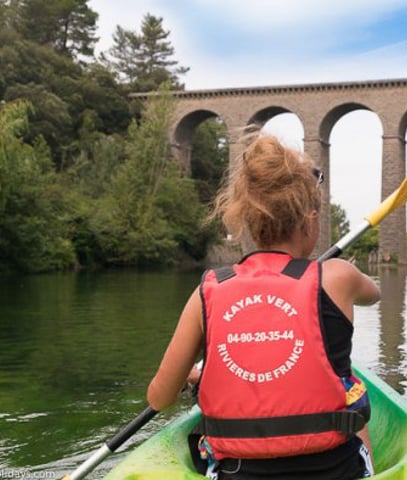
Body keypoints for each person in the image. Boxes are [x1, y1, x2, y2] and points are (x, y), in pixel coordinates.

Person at [147, 133, 381, 480]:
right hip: (335, 470)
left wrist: (195, 376)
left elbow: (160, 398)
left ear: (250, 223)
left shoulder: (208, 291)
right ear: (308, 221)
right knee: (350, 387)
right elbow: (373, 294)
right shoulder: (338, 276)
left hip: (240, 472)